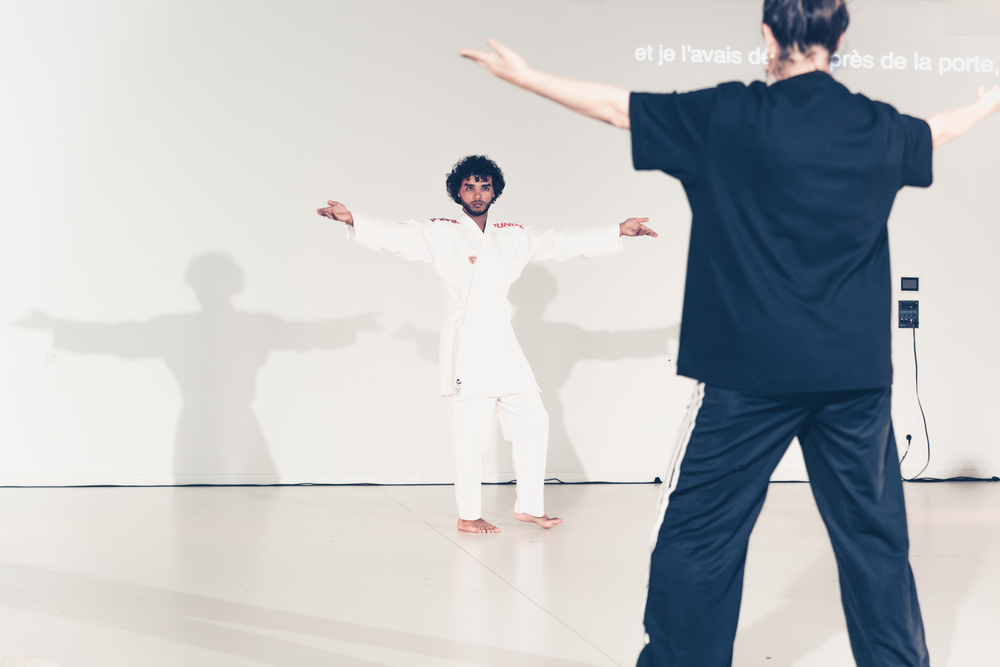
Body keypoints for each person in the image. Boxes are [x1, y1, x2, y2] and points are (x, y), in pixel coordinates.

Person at [459, 0, 1000, 664]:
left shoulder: (729, 116)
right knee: (875, 544)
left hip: (748, 374)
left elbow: (618, 108)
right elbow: (935, 132)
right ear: (841, 37)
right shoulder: (877, 126)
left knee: (699, 539)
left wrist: (525, 76)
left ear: (768, 33)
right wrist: (987, 104)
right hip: (853, 377)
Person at [317, 155, 657, 534]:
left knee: (534, 421)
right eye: (469, 187)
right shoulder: (440, 231)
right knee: (471, 437)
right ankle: (468, 515)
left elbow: (559, 242)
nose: (477, 194)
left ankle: (529, 506)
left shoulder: (512, 235)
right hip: (467, 346)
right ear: (458, 192)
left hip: (503, 345)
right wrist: (353, 219)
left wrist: (617, 231)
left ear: (494, 191)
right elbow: (397, 235)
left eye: (484, 186)